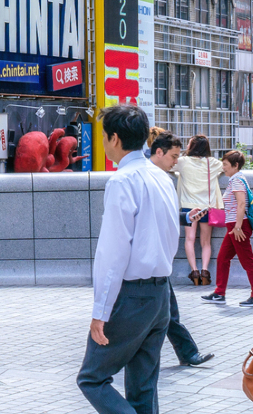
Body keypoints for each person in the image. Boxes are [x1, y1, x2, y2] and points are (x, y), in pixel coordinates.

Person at [77, 104, 178, 414]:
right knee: (143, 387)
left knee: (92, 379)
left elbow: (113, 252)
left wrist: (100, 311)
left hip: (131, 296)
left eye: (105, 136)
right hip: (160, 295)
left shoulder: (122, 181)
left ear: (115, 139)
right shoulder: (161, 177)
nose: (104, 142)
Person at [145, 134, 213, 368]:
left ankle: (188, 354)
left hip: (159, 261)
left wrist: (185, 216)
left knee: (168, 313)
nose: (177, 161)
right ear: (159, 152)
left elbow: (163, 214)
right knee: (161, 315)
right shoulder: (142, 177)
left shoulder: (162, 178)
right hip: (147, 262)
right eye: (174, 156)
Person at [203, 151, 253, 306]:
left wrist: (237, 227)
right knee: (223, 258)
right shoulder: (237, 179)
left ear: (235, 166)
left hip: (239, 226)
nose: (223, 167)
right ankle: (219, 293)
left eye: (225, 164)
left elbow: (242, 204)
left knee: (247, 261)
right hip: (234, 225)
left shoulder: (236, 180)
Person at [174, 135, 220, 286]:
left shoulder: (182, 162)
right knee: (206, 242)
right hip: (207, 206)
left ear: (191, 147)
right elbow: (225, 167)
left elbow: (168, 166)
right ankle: (205, 271)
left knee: (190, 239)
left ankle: (194, 271)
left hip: (188, 207)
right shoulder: (212, 163)